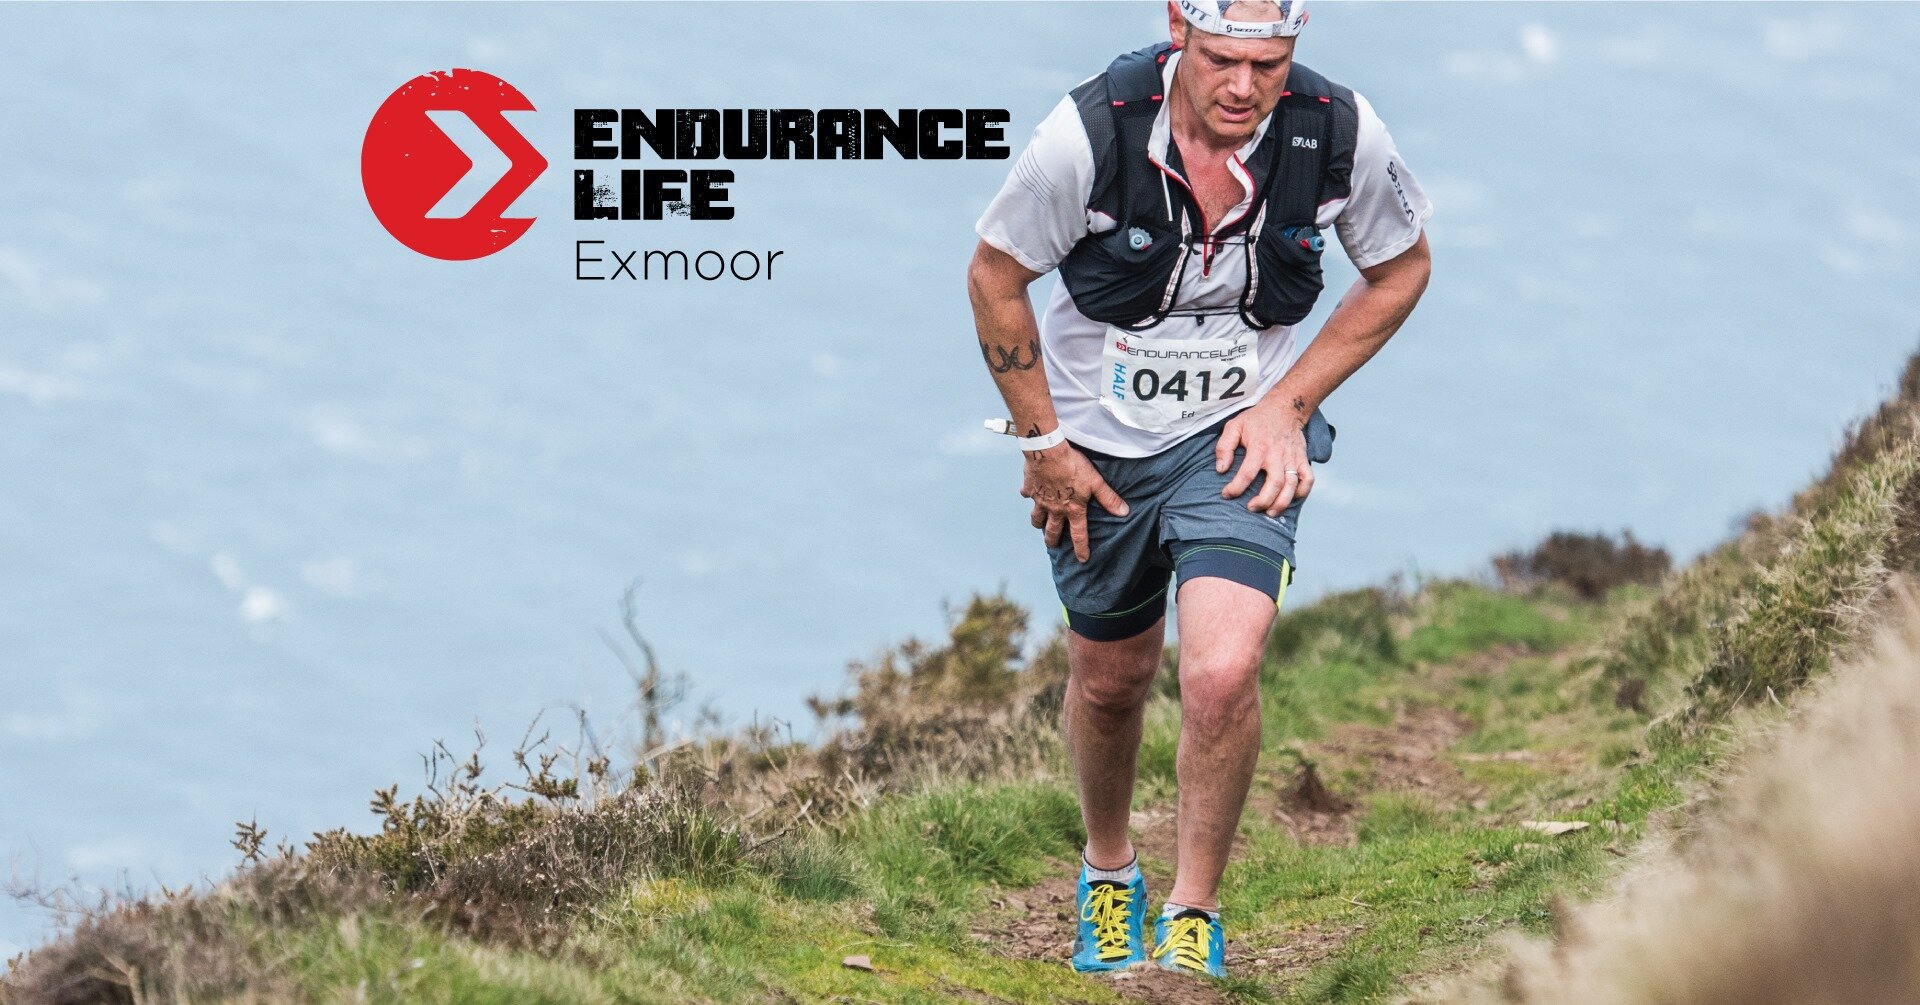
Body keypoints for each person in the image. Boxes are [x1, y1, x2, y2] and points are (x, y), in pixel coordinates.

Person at [966, 0, 1433, 980]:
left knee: (1221, 673)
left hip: (1239, 442)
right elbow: (994, 276)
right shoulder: (1086, 133)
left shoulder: (1338, 130)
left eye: (1268, 65)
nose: (1242, 87)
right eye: (1222, 59)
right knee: (1110, 679)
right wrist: (1042, 442)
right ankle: (1108, 873)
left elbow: (1401, 268)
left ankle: (1193, 914)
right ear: (1180, 30)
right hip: (1097, 453)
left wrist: (1290, 404)